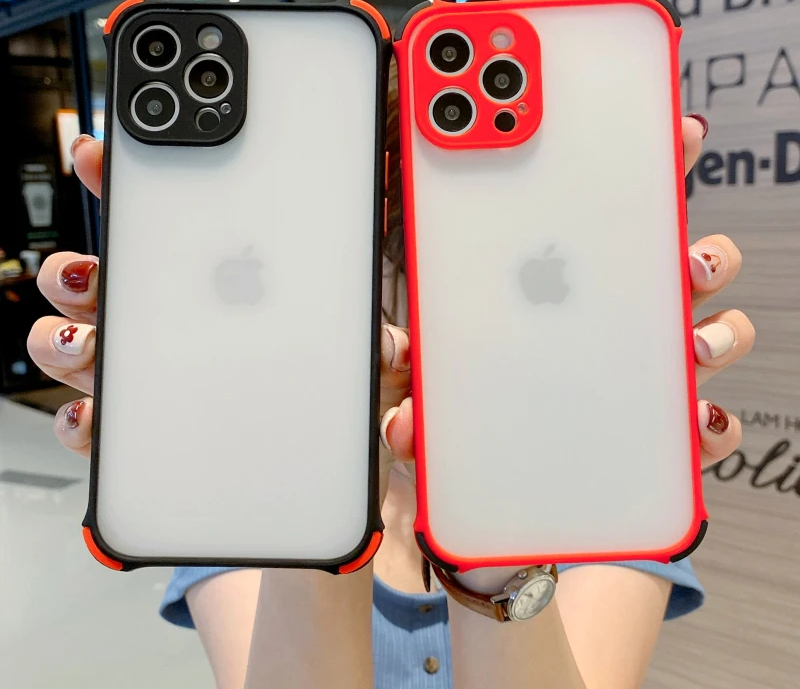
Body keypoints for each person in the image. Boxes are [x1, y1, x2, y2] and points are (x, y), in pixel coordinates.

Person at [29, 67, 754, 689]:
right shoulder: (243, 480)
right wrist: (329, 474)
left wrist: (492, 520)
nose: (442, 298)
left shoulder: (611, 479)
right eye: (398, 246)